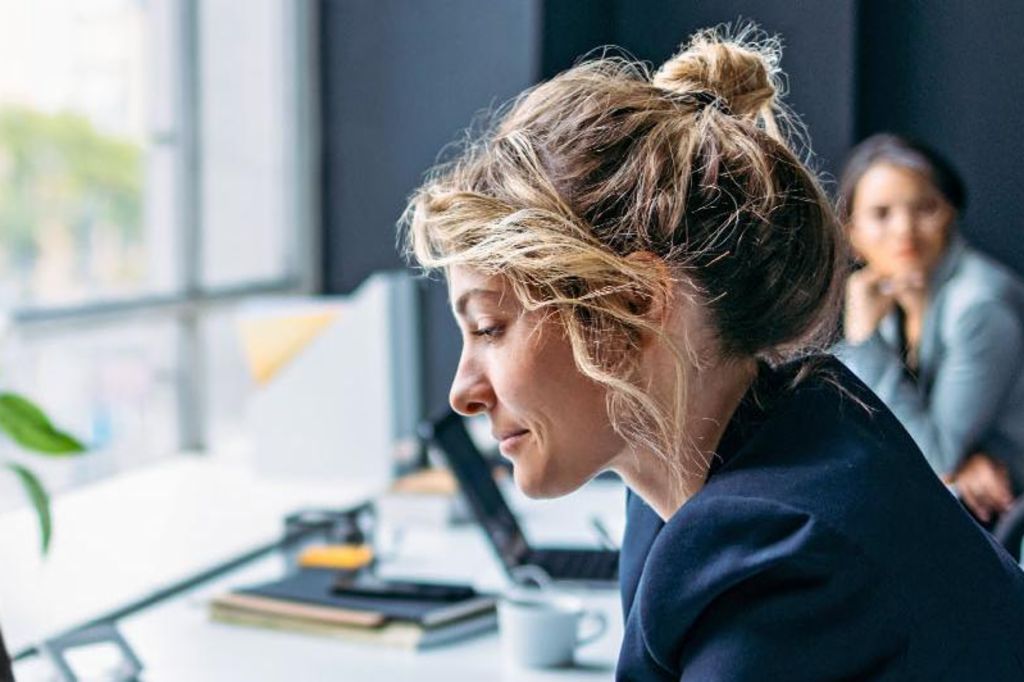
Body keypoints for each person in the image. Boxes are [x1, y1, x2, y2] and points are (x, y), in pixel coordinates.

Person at [403, 27, 1024, 680]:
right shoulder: (717, 482)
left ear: (637, 303)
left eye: (491, 327)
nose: (463, 391)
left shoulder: (784, 563)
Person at [838, 133, 1024, 527]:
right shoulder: (893, 297)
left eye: (924, 208)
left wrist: (862, 340)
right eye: (882, 213)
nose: (904, 229)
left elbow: (932, 456)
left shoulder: (978, 307)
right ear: (851, 235)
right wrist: (957, 464)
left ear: (951, 214)